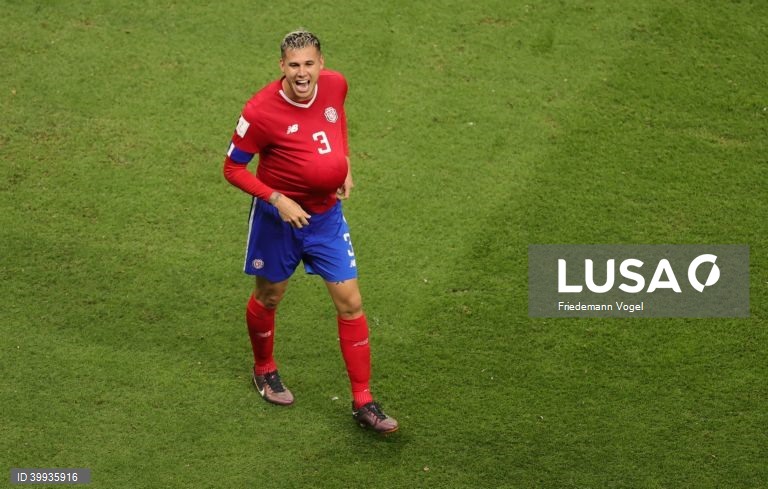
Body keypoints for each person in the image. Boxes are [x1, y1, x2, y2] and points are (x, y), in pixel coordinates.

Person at [222, 30, 398, 434]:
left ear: (321, 63)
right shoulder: (260, 111)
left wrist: (344, 163)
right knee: (269, 296)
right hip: (278, 221)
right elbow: (232, 169)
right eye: (294, 65)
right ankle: (264, 370)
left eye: (309, 64)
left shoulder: (335, 85)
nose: (303, 74)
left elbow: (338, 123)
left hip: (326, 219)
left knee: (351, 302)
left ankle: (363, 400)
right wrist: (277, 199)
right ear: (282, 66)